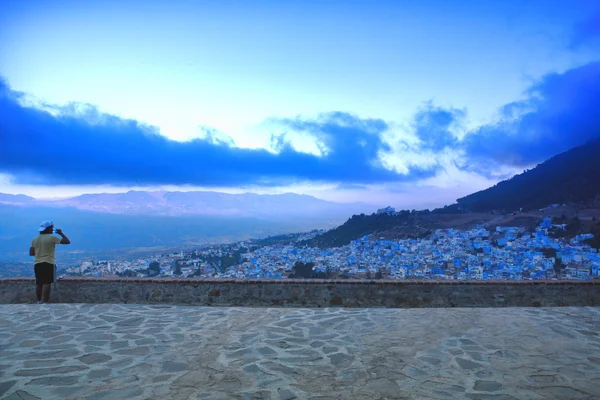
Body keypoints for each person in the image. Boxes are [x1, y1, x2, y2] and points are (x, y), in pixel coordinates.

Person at [30, 221, 70, 304]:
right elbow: (67, 241)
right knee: (47, 283)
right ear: (48, 229)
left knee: (39, 283)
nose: (52, 229)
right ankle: (45, 302)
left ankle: (39, 301)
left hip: (37, 263)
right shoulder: (52, 238)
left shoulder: (34, 240)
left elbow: (31, 253)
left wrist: (40, 252)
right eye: (52, 228)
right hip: (48, 262)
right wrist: (60, 233)